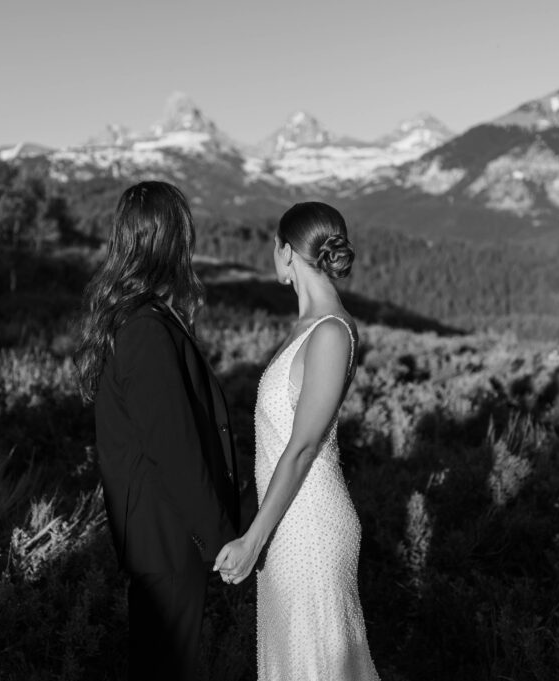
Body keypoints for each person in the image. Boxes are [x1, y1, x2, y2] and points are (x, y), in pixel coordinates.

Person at [76, 181, 241, 681]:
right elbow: (175, 450)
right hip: (168, 538)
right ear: (170, 241)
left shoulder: (133, 318)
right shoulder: (146, 329)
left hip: (158, 536)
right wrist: (220, 540)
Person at [213, 202, 380, 680]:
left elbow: (304, 446)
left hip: (310, 528)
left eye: (274, 246)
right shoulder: (306, 329)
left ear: (286, 252)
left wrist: (253, 538)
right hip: (286, 523)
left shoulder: (330, 333)